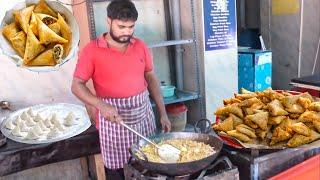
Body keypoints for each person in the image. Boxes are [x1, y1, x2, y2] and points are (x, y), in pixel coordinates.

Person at [71, 0, 171, 179]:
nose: (127, 32)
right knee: (118, 172)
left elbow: (151, 77)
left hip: (143, 118)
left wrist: (162, 113)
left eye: (131, 27)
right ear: (108, 21)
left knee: (147, 165)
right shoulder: (92, 51)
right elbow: (76, 86)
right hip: (113, 121)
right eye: (121, 26)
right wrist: (100, 104)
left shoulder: (140, 46)